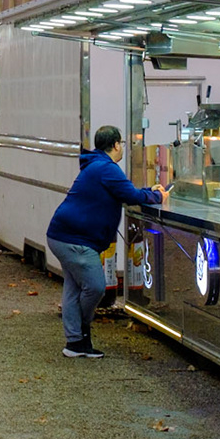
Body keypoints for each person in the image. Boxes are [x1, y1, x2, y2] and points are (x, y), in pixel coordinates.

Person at [45, 126, 164, 359]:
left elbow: (125, 190)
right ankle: (82, 330)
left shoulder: (96, 166)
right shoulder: (107, 168)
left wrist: (148, 190)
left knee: (73, 289)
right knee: (96, 286)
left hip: (61, 234)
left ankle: (75, 343)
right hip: (75, 239)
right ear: (116, 145)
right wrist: (159, 196)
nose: (122, 149)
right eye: (122, 144)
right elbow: (132, 196)